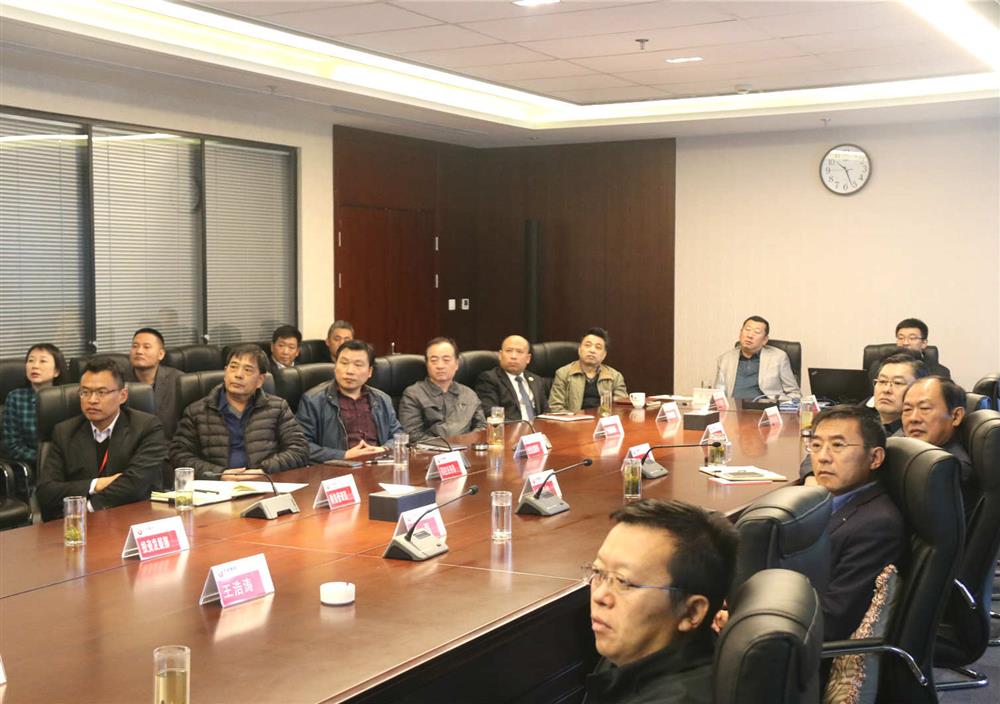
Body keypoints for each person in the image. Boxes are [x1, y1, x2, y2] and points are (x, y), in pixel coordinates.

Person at [583, 499, 738, 704]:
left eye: (624, 582)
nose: (600, 596)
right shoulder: (632, 651)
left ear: (692, 612)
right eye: (598, 572)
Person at [804, 405, 905, 641]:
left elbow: (832, 620)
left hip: (804, 648)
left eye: (838, 445)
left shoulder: (877, 526)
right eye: (816, 445)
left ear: (875, 458)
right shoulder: (830, 502)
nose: (823, 457)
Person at [36, 357, 168, 521]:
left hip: (132, 519)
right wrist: (96, 484)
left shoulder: (147, 427)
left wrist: (87, 508)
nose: (92, 400)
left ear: (122, 395)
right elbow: (46, 491)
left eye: (101, 392)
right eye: (85, 392)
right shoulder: (64, 432)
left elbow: (136, 484)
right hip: (77, 527)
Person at [170, 344, 308, 479]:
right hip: (218, 487)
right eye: (233, 367)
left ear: (260, 380)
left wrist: (263, 471)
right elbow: (179, 455)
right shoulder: (197, 411)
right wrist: (219, 474)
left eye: (247, 370)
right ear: (225, 373)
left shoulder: (277, 408)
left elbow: (299, 449)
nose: (238, 375)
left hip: (265, 483)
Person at [296, 339, 402, 462]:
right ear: (335, 366)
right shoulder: (313, 400)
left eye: (358, 365)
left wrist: (383, 449)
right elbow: (302, 446)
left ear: (370, 372)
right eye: (344, 363)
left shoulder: (382, 399)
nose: (349, 371)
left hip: (378, 464)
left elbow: (399, 435)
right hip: (338, 468)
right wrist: (344, 455)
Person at [902, 376, 976, 519]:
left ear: (956, 416)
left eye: (925, 408)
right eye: (907, 409)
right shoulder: (912, 453)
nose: (913, 418)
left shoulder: (949, 469)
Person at [399, 337, 486, 442]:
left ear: (457, 364)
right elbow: (412, 434)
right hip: (430, 450)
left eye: (446, 360)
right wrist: (448, 446)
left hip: (467, 448)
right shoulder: (413, 394)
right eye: (434, 360)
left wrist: (467, 443)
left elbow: (482, 427)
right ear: (427, 364)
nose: (440, 366)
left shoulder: (468, 394)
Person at [2, 343, 68, 464]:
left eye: (43, 361)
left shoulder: (67, 399)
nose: (35, 366)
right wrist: (44, 459)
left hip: (66, 464)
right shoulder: (16, 398)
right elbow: (12, 445)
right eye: (31, 360)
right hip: (31, 465)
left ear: (56, 371)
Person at [714, 316, 799, 400]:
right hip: (733, 407)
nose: (750, 335)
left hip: (765, 407)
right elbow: (718, 393)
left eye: (757, 332)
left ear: (765, 340)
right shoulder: (725, 359)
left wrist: (778, 404)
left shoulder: (778, 358)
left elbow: (794, 393)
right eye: (747, 330)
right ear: (740, 333)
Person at [549, 328, 627, 413]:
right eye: (587, 345)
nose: (592, 350)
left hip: (603, 419)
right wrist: (575, 418)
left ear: (604, 355)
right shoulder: (563, 374)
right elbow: (555, 408)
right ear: (579, 349)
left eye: (598, 347)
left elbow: (621, 409)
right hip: (574, 420)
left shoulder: (615, 377)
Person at [124, 327, 182, 439]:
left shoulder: (178, 380)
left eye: (146, 347)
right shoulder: (119, 382)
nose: (139, 351)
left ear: (161, 354)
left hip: (169, 444)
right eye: (135, 346)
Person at [475, 334, 548, 420]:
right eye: (509, 351)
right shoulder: (489, 379)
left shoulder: (536, 380)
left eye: (519, 352)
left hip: (538, 427)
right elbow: (491, 413)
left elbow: (546, 412)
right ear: (500, 355)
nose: (513, 356)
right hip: (511, 427)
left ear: (528, 358)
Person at [869, 318, 950, 380]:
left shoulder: (939, 373)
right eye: (901, 338)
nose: (905, 343)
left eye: (912, 338)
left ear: (924, 343)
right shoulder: (878, 367)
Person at [870, 352, 928, 436]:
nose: (886, 390)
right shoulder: (862, 426)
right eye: (882, 381)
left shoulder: (919, 436)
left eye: (898, 383)